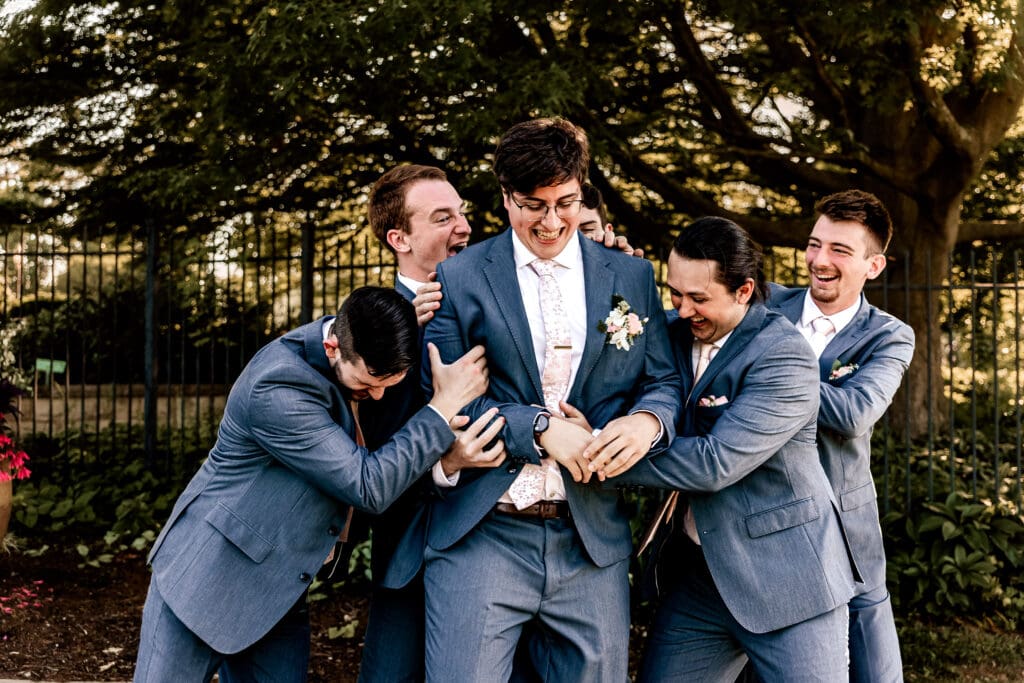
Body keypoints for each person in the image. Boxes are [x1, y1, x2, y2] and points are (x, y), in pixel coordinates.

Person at [418, 117, 680, 681]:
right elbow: (441, 399)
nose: (553, 221)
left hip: (591, 541)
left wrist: (647, 424)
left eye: (566, 202)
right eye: (534, 205)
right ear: (506, 197)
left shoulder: (631, 276)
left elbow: (662, 381)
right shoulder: (460, 277)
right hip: (483, 534)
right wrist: (537, 428)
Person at [134, 286, 489, 683]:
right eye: (369, 381)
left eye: (390, 382)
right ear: (334, 346)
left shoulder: (362, 349)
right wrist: (441, 410)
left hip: (280, 590)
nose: (377, 395)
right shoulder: (279, 386)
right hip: (207, 581)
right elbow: (366, 484)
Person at [593, 217, 857, 681]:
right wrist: (602, 266)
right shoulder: (669, 334)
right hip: (698, 578)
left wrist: (597, 454)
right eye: (675, 293)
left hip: (788, 578)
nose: (683, 308)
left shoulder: (785, 355)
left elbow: (715, 463)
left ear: (743, 290)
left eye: (699, 298)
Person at [357, 164, 505, 683]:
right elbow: (364, 454)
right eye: (443, 217)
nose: (463, 226)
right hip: (409, 550)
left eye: (461, 212)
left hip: (498, 548)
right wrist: (444, 462)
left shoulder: (502, 304)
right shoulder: (362, 331)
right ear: (399, 238)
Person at [767, 190, 913, 682]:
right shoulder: (764, 305)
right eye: (814, 244)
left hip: (844, 536)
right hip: (759, 524)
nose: (819, 261)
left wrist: (769, 381)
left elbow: (853, 413)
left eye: (839, 251)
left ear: (874, 266)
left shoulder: (889, 336)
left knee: (875, 673)